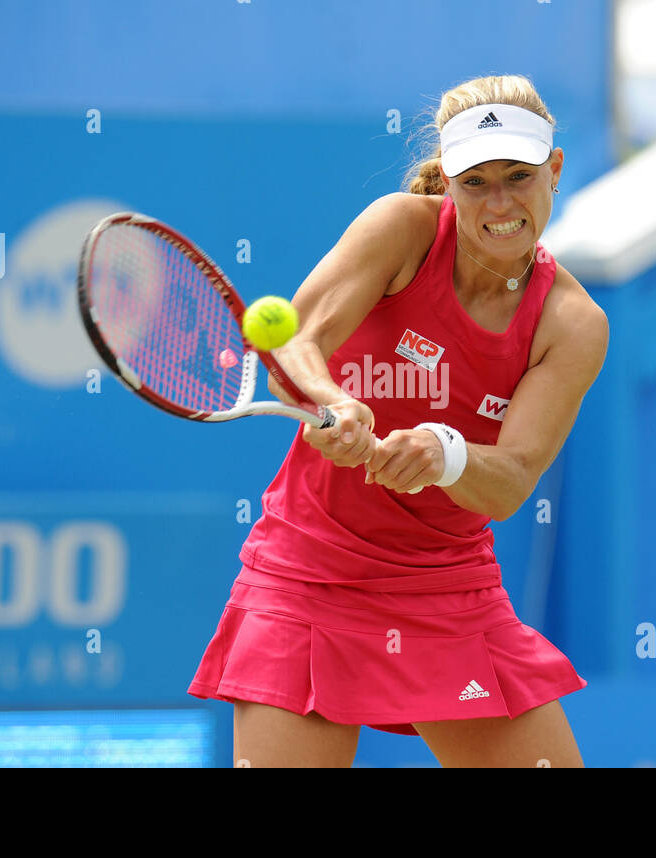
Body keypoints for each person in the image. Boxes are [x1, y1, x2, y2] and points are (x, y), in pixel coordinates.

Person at [188, 74, 609, 767]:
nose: (500, 202)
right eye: (476, 182)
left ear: (554, 170)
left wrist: (444, 454)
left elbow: (508, 485)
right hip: (308, 572)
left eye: (518, 177)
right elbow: (295, 343)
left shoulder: (572, 324)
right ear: (447, 181)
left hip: (447, 587)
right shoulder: (400, 229)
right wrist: (333, 401)